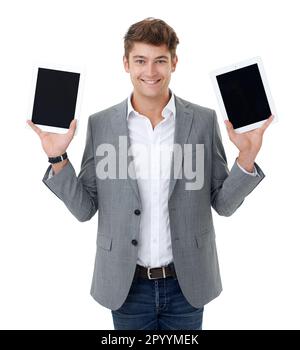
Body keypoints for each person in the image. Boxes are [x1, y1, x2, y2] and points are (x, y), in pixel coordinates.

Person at [27, 17, 273, 330]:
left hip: (187, 285)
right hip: (126, 286)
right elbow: (84, 209)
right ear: (126, 64)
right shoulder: (101, 125)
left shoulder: (203, 121)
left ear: (174, 62)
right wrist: (57, 156)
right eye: (141, 61)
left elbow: (222, 204)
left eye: (160, 61)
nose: (151, 72)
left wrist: (247, 158)